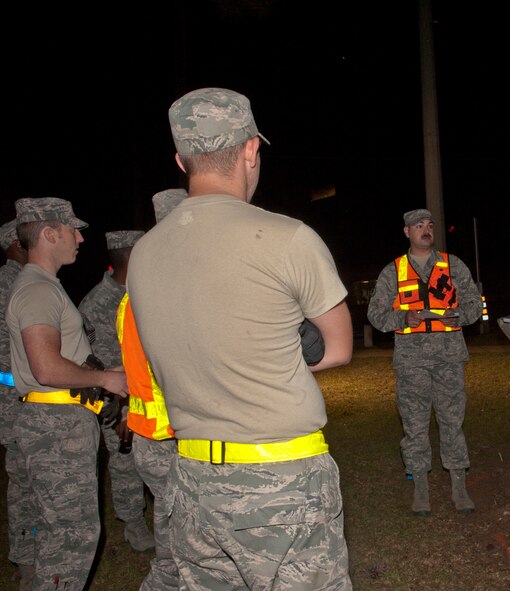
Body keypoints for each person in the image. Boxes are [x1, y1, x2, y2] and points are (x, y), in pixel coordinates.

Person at [126, 87, 354, 590]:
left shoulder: (143, 253)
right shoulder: (287, 237)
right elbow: (338, 350)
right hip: (282, 482)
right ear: (251, 149)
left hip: (191, 480)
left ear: (181, 159)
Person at [6, 197, 129, 590]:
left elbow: (60, 358)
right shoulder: (37, 290)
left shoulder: (41, 286)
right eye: (72, 229)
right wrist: (109, 381)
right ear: (48, 233)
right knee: (72, 540)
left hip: (59, 422)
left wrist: (104, 372)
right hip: (56, 427)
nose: (79, 237)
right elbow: (45, 367)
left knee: (65, 534)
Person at [367, 208, 482, 516]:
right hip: (411, 361)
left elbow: (474, 303)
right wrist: (403, 317)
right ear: (407, 232)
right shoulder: (393, 271)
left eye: (430, 224)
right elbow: (375, 314)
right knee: (414, 425)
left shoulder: (451, 265)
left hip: (449, 357)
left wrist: (459, 314)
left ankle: (459, 486)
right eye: (418, 225)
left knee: (452, 422)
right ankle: (420, 488)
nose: (426, 229)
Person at [116, 188, 186, 591]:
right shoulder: (165, 288)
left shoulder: (140, 286)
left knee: (178, 535)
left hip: (154, 433)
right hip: (167, 437)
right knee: (177, 548)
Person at [78, 229, 155, 553]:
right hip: (115, 399)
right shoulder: (99, 303)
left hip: (148, 393)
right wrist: (123, 408)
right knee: (125, 460)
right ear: (132, 255)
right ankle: (132, 522)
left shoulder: (143, 292)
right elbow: (103, 365)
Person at [0, 219, 37, 590]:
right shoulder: (11, 283)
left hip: (23, 398)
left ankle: (30, 554)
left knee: (28, 481)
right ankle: (27, 559)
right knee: (25, 482)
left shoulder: (26, 281)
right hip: (15, 400)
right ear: (15, 244)